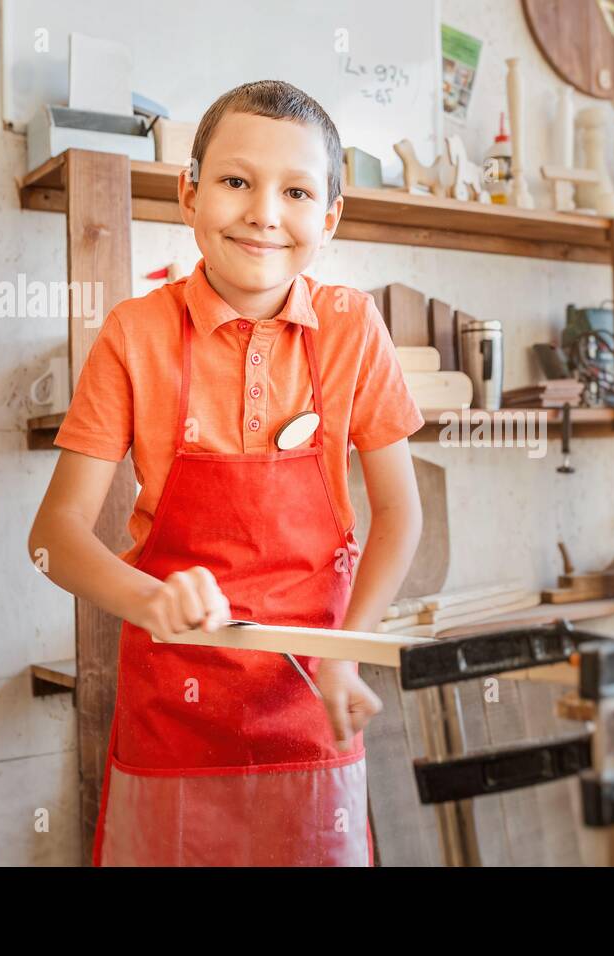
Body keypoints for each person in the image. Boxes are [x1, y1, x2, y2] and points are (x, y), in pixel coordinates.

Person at [27, 80, 425, 866]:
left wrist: (345, 650)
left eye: (297, 191)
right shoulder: (135, 332)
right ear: (190, 192)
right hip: (173, 717)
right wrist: (149, 598)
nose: (264, 212)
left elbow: (400, 515)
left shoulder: (352, 328)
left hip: (313, 702)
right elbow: (54, 537)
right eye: (236, 181)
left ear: (331, 217)